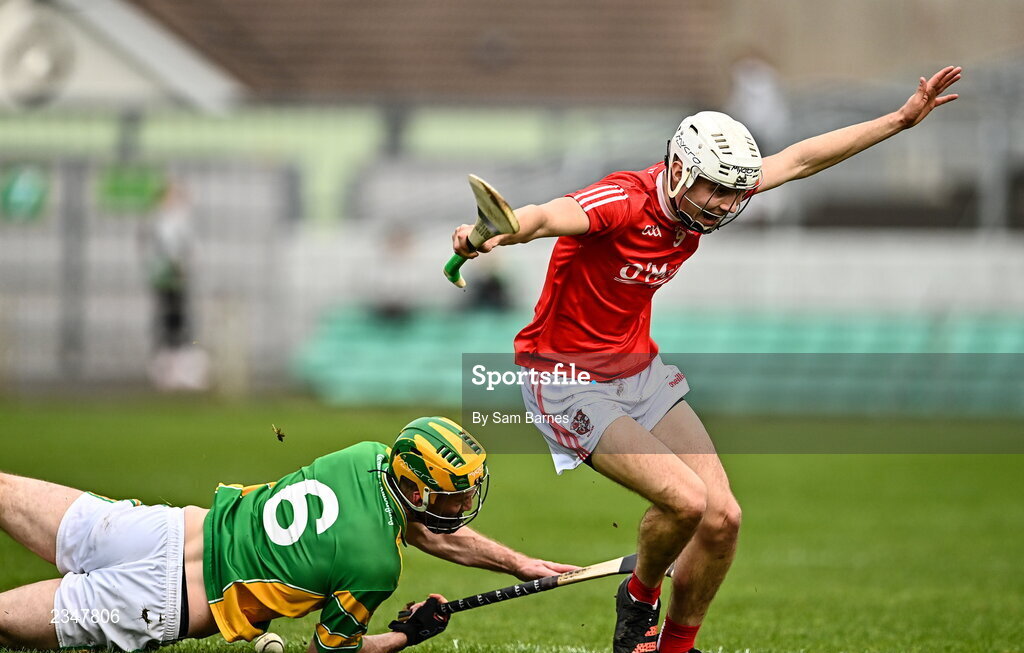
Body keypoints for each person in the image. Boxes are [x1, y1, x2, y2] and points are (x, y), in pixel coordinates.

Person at [452, 67, 962, 653]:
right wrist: (505, 231)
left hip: (637, 371)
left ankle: (675, 648)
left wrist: (899, 121)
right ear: (678, 171)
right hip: (565, 379)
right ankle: (640, 599)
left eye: (731, 193)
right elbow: (550, 215)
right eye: (713, 190)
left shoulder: (707, 196)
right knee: (686, 502)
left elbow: (798, 160)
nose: (722, 206)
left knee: (722, 520)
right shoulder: (624, 200)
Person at [0, 416, 575, 652]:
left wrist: (520, 564)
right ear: (418, 489)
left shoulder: (367, 456)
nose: (464, 505)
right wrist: (406, 635)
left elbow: (424, 532)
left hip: (160, 528)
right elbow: (329, 652)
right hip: (163, 602)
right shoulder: (376, 566)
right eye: (455, 493)